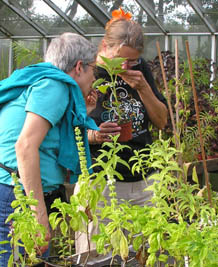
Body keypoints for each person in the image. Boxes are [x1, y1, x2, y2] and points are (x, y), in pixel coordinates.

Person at [0, 32, 99, 266]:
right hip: (13, 198)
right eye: (94, 69)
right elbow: (25, 146)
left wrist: (86, 112)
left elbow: (48, 140)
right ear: (79, 67)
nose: (95, 77)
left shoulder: (38, 79)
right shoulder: (54, 86)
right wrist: (38, 215)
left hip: (13, 195)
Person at [75, 7, 168, 254]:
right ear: (104, 46)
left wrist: (144, 88)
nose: (126, 65)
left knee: (144, 254)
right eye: (121, 58)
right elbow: (66, 132)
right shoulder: (85, 72)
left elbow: (162, 122)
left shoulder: (142, 70)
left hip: (143, 181)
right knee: (96, 255)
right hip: (100, 182)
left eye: (133, 59)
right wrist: (94, 135)